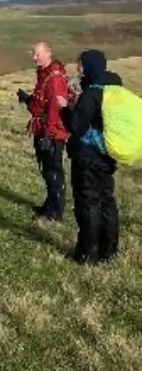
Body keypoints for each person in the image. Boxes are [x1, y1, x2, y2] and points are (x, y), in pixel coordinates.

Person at [62, 49, 121, 264]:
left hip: (87, 156)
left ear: (89, 66)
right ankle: (110, 251)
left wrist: (65, 109)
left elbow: (77, 126)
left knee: (88, 203)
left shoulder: (92, 93)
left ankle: (88, 253)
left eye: (81, 65)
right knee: (106, 201)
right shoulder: (112, 89)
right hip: (107, 155)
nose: (78, 69)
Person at [16, 42, 71, 221]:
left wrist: (48, 136)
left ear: (48, 53)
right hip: (44, 131)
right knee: (47, 170)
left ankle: (55, 213)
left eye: (38, 54)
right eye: (34, 54)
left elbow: (55, 111)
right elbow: (42, 104)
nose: (34, 58)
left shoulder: (54, 78)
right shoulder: (44, 75)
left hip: (52, 134)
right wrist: (28, 100)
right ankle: (50, 205)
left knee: (53, 171)